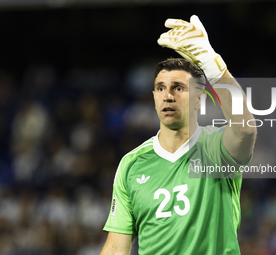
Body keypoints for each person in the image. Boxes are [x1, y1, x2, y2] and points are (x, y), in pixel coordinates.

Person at [100, 15, 257, 255]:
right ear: (154, 97)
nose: (168, 95)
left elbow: (245, 129)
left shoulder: (216, 147)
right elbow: (115, 248)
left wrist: (212, 65)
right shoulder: (131, 164)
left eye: (179, 88)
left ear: (200, 99)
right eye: (161, 88)